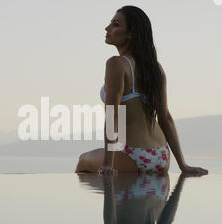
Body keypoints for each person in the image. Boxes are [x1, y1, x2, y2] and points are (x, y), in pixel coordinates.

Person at [74, 6, 208, 176]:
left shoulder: (117, 64)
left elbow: (112, 114)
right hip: (161, 156)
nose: (107, 28)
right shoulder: (155, 69)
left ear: (131, 33)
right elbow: (165, 118)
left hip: (132, 155)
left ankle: (109, 196)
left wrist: (108, 164)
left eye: (115, 24)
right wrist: (183, 165)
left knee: (83, 159)